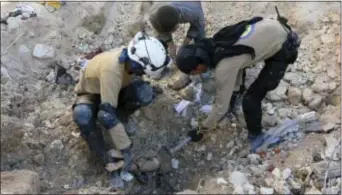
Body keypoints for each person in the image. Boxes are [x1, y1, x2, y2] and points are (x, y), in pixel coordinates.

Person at [175, 13, 301, 152]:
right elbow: (236, 65)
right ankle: (235, 97)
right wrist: (232, 92)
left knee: (251, 99)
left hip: (284, 45)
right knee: (237, 76)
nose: (197, 74)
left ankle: (257, 138)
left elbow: (219, 108)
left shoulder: (223, 68)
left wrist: (201, 129)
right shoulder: (217, 42)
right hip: (273, 27)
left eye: (194, 72)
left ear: (198, 66)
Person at [72, 31, 171, 185]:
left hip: (116, 89)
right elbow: (106, 115)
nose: (143, 74)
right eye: (143, 71)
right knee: (83, 116)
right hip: (92, 93)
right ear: (137, 66)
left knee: (144, 92)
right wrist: (126, 149)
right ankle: (106, 159)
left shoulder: (131, 56)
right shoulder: (112, 71)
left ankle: (122, 116)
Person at [131, 1, 206, 89]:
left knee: (200, 37)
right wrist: (170, 44)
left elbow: (197, 26)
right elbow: (162, 32)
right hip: (163, 10)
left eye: (172, 30)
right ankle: (160, 64)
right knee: (160, 40)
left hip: (190, 6)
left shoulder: (194, 12)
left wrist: (185, 42)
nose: (170, 33)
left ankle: (202, 61)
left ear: (179, 21)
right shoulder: (154, 16)